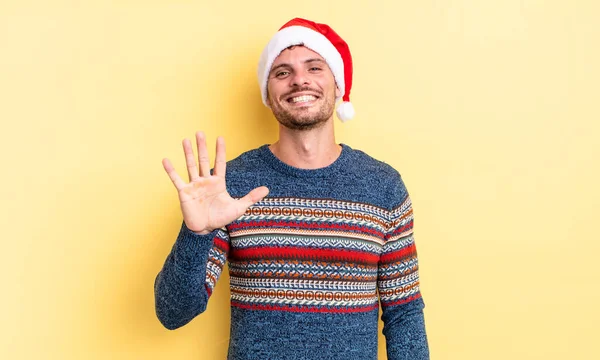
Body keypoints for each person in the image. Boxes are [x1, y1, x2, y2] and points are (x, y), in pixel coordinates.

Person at [154, 17, 430, 360]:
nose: (299, 79)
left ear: (338, 84)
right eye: (282, 72)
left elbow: (404, 314)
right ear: (268, 94)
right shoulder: (229, 185)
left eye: (314, 67)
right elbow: (172, 313)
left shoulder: (384, 187)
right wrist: (196, 234)